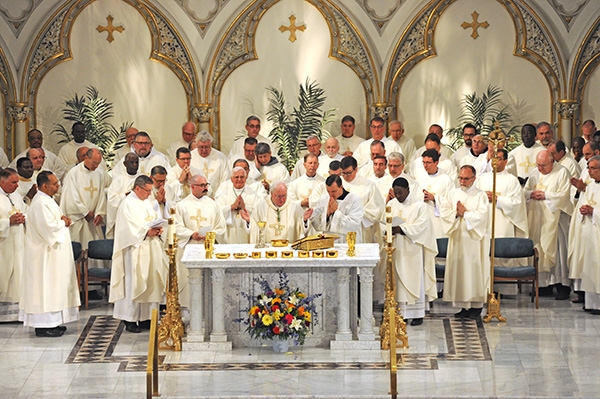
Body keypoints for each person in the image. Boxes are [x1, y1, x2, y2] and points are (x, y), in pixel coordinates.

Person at [19, 171, 80, 337]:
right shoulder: (40, 203)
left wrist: (62, 220)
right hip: (43, 256)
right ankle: (43, 326)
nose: (58, 185)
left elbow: (55, 221)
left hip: (52, 254)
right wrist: (63, 222)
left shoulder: (47, 200)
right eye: (54, 183)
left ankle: (53, 322)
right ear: (45, 185)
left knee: (53, 288)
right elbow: (49, 228)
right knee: (45, 288)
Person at [110, 175, 169, 333]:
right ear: (137, 188)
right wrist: (146, 232)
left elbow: (154, 218)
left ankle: (146, 318)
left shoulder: (147, 203)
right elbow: (127, 228)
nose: (150, 194)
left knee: (150, 282)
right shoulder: (127, 204)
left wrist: (158, 229)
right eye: (147, 190)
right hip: (135, 250)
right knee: (134, 283)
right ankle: (129, 318)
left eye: (151, 190)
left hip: (150, 247)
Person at [440, 165, 489, 319]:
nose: (462, 181)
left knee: (473, 271)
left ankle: (475, 306)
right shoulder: (453, 193)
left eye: (466, 178)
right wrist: (456, 214)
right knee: (460, 271)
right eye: (460, 178)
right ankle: (463, 306)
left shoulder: (480, 195)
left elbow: (483, 216)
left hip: (473, 241)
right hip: (458, 239)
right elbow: (444, 211)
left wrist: (465, 214)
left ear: (474, 178)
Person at [524, 150, 573, 300]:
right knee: (540, 248)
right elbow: (525, 191)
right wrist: (531, 194)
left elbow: (565, 195)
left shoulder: (562, 172)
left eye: (543, 165)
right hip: (538, 219)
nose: (540, 169)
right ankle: (543, 285)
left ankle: (562, 286)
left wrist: (546, 195)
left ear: (552, 161)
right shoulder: (534, 172)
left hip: (556, 220)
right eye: (538, 165)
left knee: (558, 252)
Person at [388, 177, 437, 326]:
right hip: (397, 249)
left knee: (415, 280)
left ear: (408, 190)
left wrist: (402, 229)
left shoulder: (419, 205)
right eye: (396, 193)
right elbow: (385, 222)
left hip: (413, 249)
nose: (398, 196)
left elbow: (423, 226)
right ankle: (401, 313)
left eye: (401, 193)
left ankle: (417, 314)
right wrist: (389, 229)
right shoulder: (391, 204)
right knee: (399, 280)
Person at [174, 175, 226, 307]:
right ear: (192, 187)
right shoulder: (181, 205)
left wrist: (210, 235)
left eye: (206, 185)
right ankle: (188, 312)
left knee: (207, 282)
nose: (205, 188)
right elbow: (177, 227)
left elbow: (221, 227)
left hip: (207, 248)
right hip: (189, 248)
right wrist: (191, 234)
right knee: (188, 282)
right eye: (202, 185)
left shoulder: (213, 205)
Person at [568, 155, 600, 312]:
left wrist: (594, 212)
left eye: (593, 168)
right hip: (589, 232)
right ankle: (591, 303)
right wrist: (583, 210)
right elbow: (584, 202)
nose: (589, 171)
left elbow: (594, 209)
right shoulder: (592, 185)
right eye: (589, 168)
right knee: (590, 266)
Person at [59, 148, 107, 250]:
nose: (96, 166)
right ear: (86, 158)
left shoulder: (99, 173)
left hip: (93, 220)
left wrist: (99, 213)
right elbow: (70, 196)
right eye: (94, 163)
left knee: (94, 250)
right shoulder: (73, 173)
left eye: (98, 163)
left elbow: (101, 194)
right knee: (80, 249)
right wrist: (85, 212)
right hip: (79, 218)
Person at [244, 181, 311, 243]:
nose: (282, 199)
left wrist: (304, 220)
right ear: (271, 194)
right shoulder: (261, 207)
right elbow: (254, 227)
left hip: (288, 249)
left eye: (284, 195)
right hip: (267, 249)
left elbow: (302, 229)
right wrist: (249, 221)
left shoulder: (295, 207)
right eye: (278, 196)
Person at [0, 168, 27, 322]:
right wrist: (7, 222)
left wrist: (25, 217)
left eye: (17, 182)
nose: (17, 185)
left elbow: (26, 210)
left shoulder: (15, 196)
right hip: (3, 246)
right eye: (13, 182)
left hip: (18, 244)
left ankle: (17, 314)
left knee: (18, 276)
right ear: (2, 181)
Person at [214, 166, 261, 243]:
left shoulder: (253, 195)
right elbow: (217, 213)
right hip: (229, 232)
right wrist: (231, 207)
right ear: (231, 179)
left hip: (246, 232)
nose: (239, 179)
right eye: (236, 177)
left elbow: (258, 213)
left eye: (242, 177)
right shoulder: (223, 195)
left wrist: (245, 208)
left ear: (246, 178)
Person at [310, 174, 363, 239]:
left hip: (348, 240)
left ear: (341, 187)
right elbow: (316, 224)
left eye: (334, 191)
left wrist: (335, 212)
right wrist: (327, 214)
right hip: (329, 241)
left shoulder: (355, 200)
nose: (331, 194)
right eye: (328, 191)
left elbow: (353, 225)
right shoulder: (323, 199)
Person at [106, 153, 139, 238]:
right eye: (132, 162)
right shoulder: (118, 180)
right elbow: (112, 199)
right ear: (125, 164)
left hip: (137, 219)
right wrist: (127, 195)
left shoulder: (142, 179)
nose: (135, 165)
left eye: (136, 162)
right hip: (121, 220)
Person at [190, 130, 228, 197]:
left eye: (207, 147)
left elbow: (225, 179)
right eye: (201, 147)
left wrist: (218, 197)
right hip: (195, 199)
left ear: (211, 144)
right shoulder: (190, 157)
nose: (204, 150)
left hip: (216, 198)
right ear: (197, 144)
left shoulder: (220, 158)